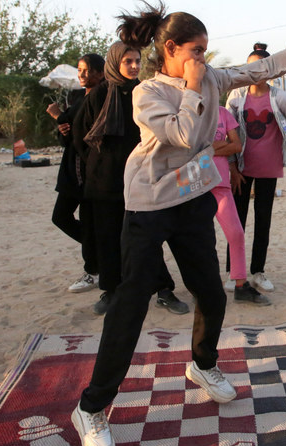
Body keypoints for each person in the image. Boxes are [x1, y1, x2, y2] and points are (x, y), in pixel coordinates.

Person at [69, 1, 286, 446]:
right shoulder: (147, 93)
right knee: (131, 303)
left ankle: (202, 364)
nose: (204, 59)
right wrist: (195, 88)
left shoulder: (213, 77)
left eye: (207, 51)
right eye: (197, 51)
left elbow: (265, 66)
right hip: (150, 204)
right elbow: (186, 135)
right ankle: (92, 407)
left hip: (193, 198)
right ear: (172, 49)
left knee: (211, 292)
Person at [74, 41, 188, 316]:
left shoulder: (145, 92)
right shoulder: (99, 95)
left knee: (148, 237)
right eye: (128, 61)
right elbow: (80, 137)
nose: (134, 66)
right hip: (105, 182)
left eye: (137, 61)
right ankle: (111, 291)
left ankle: (164, 289)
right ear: (115, 62)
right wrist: (103, 163)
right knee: (109, 239)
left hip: (141, 178)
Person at [225, 42, 286, 293]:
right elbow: (228, 132)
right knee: (236, 222)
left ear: (269, 69)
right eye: (250, 66)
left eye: (260, 66)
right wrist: (233, 168)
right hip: (241, 169)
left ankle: (258, 272)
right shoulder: (236, 96)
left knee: (263, 221)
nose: (254, 71)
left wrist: (282, 138)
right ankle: (233, 272)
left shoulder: (278, 96)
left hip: (269, 168)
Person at [46, 54, 105, 293]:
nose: (81, 75)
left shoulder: (102, 99)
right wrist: (61, 125)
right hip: (71, 168)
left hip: (89, 171)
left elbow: (86, 133)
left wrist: (58, 115)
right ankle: (100, 253)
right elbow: (67, 134)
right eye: (80, 70)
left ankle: (93, 267)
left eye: (86, 70)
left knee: (89, 222)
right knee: (61, 217)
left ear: (101, 73)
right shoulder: (79, 96)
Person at [212, 105, 270, 305]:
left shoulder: (223, 113)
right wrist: (220, 145)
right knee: (201, 237)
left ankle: (240, 285)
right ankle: (203, 286)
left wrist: (210, 148)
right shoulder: (190, 111)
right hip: (197, 185)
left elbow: (236, 145)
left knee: (236, 233)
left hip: (221, 184)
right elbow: (189, 147)